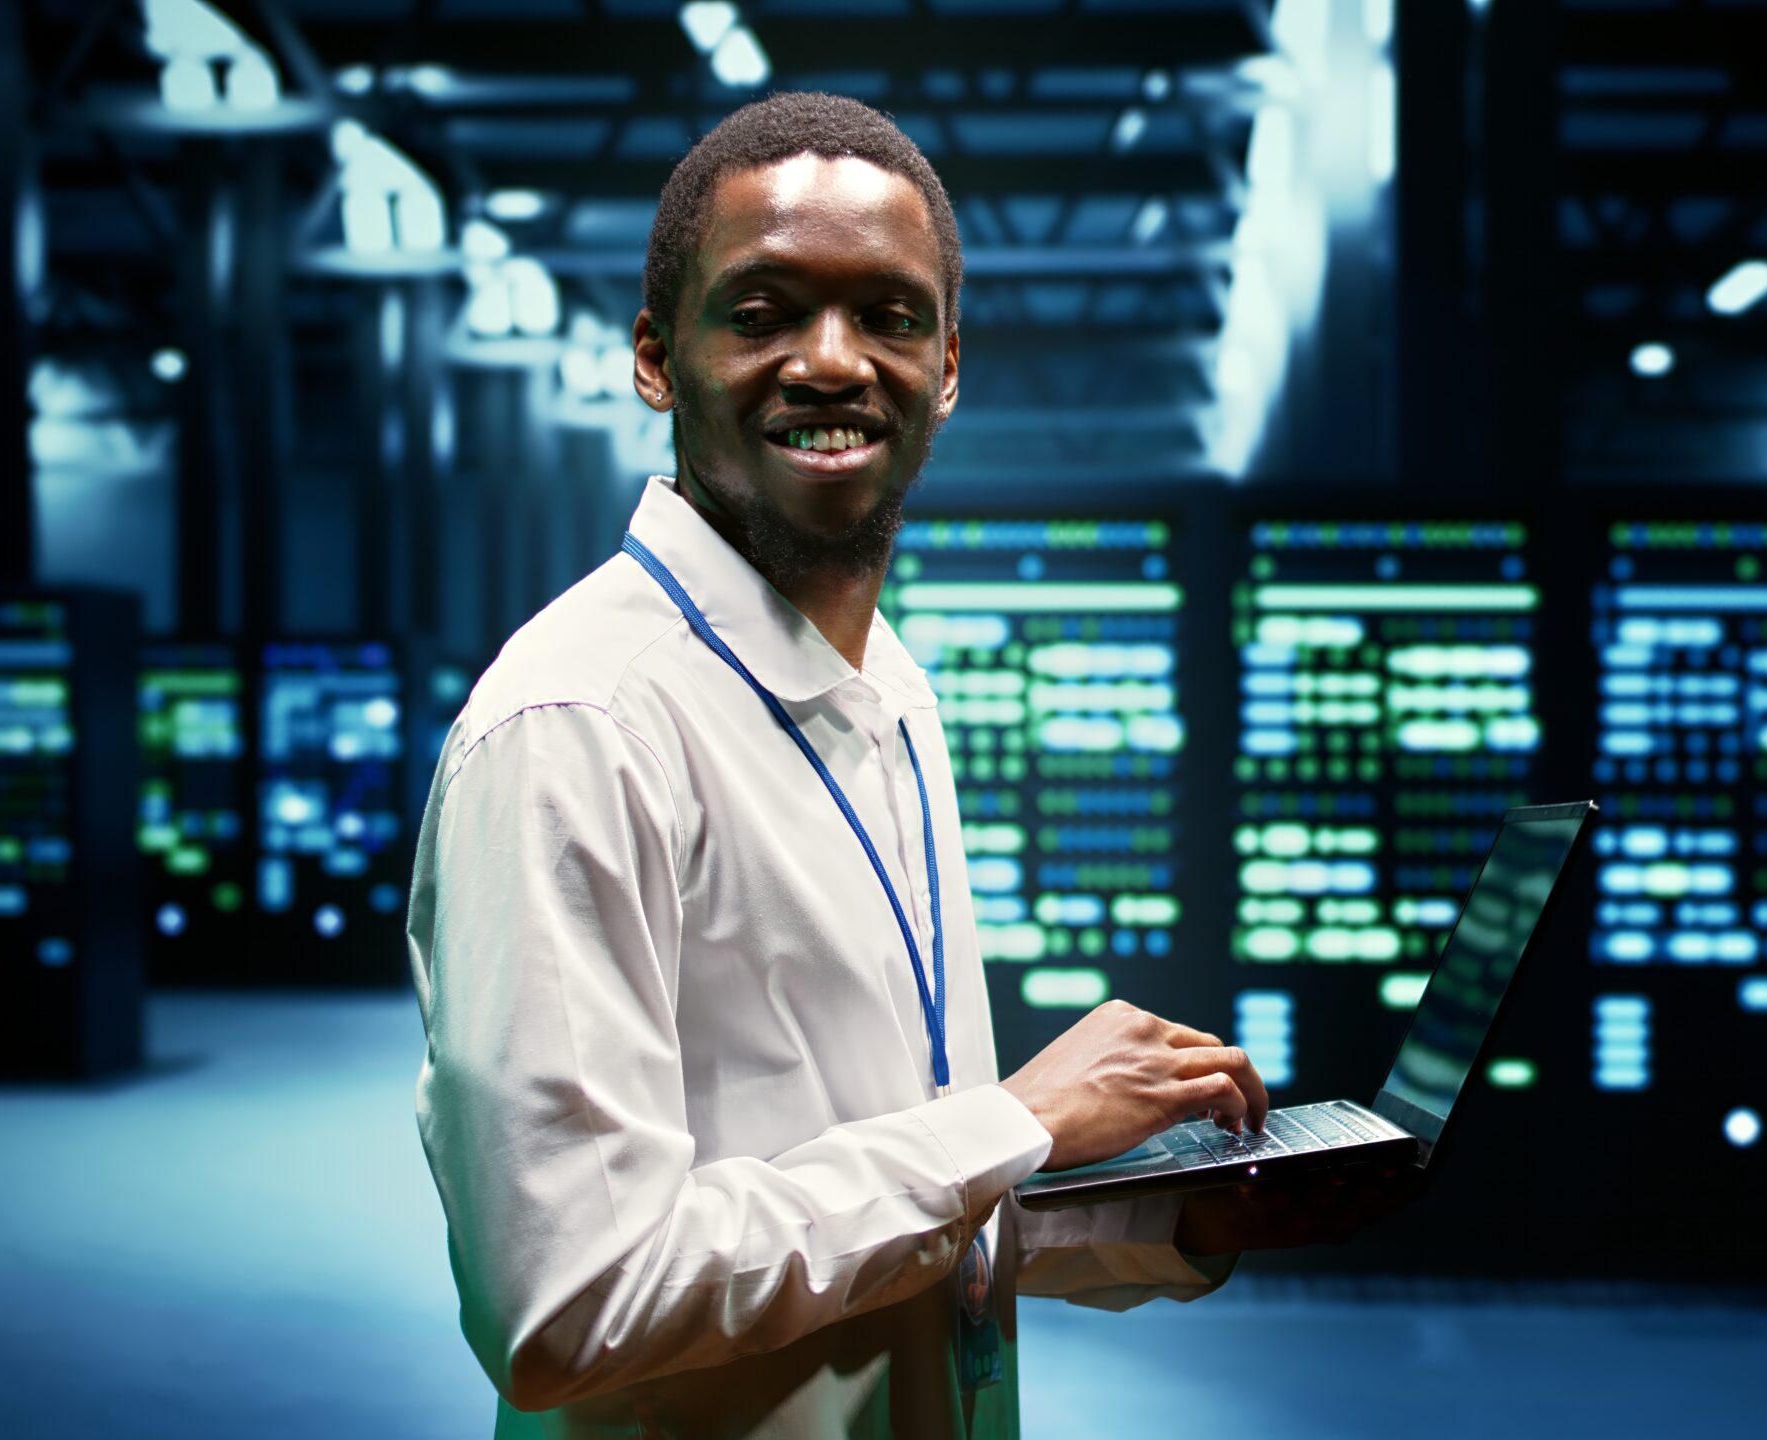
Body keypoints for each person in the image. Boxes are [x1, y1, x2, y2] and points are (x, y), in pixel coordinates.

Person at [407, 92, 1409, 1440]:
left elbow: (895, 1198)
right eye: (762, 310)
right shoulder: (578, 726)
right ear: (656, 358)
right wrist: (1014, 1123)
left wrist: (1167, 1214)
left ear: (946, 366)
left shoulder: (890, 689)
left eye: (886, 314)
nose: (831, 362)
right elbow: (569, 1302)